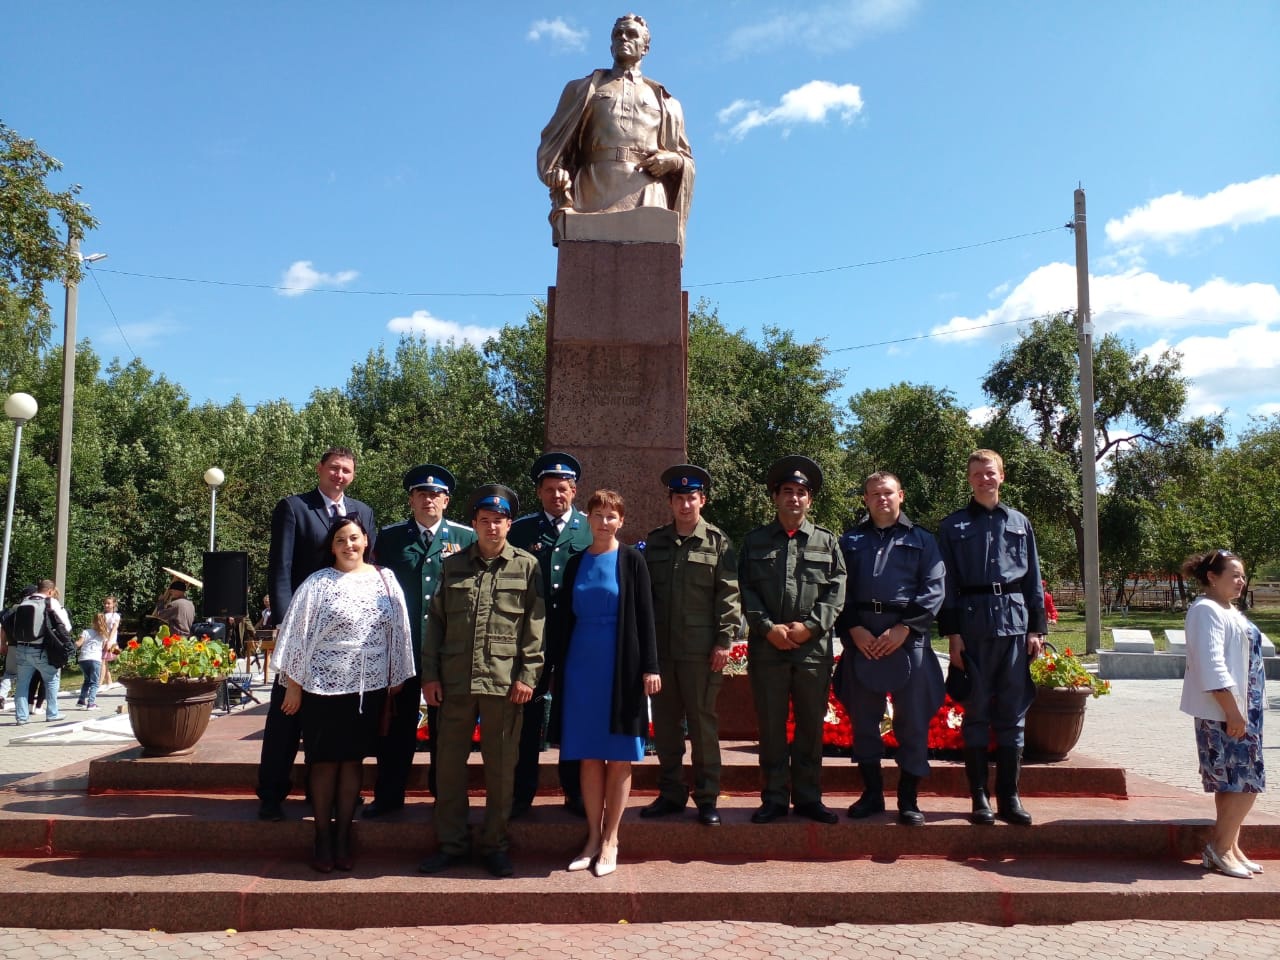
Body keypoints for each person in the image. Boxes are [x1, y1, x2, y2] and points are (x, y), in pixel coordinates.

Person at [271, 514, 414, 873]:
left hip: (367, 689)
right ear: (331, 548)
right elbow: (297, 637)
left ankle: (344, 834)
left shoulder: (386, 580)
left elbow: (400, 630)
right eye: (340, 540)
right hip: (322, 686)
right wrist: (294, 686)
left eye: (354, 538)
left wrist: (397, 675)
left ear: (366, 541)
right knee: (323, 763)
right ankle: (322, 836)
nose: (349, 545)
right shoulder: (318, 583)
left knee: (352, 762)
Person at [418, 484, 544, 879]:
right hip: (455, 683)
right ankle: (451, 844)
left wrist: (528, 675)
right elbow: (435, 625)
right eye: (485, 521)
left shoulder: (526, 566)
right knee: (449, 769)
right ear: (473, 524)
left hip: (505, 685)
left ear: (509, 525)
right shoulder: (452, 566)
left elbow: (535, 628)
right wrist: (430, 676)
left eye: (499, 521)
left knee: (502, 769)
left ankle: (494, 844)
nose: (492, 527)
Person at [258, 446, 377, 822]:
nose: (339, 476)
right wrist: (283, 623)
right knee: (287, 714)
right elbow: (281, 567)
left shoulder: (364, 513)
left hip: (345, 638)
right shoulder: (295, 508)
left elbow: (369, 568)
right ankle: (271, 794)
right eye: (334, 469)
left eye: (346, 471)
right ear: (320, 469)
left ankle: (325, 794)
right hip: (301, 630)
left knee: (334, 719)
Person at [548, 489, 659, 876]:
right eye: (597, 515)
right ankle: (592, 837)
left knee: (619, 755)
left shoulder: (632, 560)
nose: (603, 522)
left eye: (611, 516)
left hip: (622, 666)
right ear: (587, 519)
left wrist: (651, 667)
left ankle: (612, 839)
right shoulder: (576, 561)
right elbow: (564, 620)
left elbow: (646, 617)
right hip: (582, 666)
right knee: (589, 755)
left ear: (621, 521)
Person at [938, 449, 1046, 827]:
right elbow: (947, 584)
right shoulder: (952, 527)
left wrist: (1037, 628)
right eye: (977, 474)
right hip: (973, 625)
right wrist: (952, 634)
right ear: (969, 479)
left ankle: (1010, 797)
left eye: (990, 473)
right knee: (977, 713)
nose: (984, 479)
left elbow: (1033, 578)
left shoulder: (1019, 522)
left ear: (1002, 476)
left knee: (1013, 716)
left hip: (1015, 624)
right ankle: (979, 798)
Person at [739, 456, 847, 824]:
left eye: (801, 493)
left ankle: (808, 798)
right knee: (770, 727)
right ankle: (772, 799)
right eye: (788, 492)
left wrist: (810, 628)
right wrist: (768, 627)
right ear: (775, 498)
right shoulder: (754, 541)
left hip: (812, 650)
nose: (794, 499)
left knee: (810, 727)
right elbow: (746, 589)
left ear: (810, 500)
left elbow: (837, 591)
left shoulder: (827, 542)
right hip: (768, 646)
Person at [835, 471, 946, 825]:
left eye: (888, 493)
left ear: (901, 495)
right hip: (862, 637)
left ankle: (909, 799)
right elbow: (837, 589)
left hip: (907, 637)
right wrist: (853, 628)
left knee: (911, 721)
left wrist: (905, 628)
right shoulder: (849, 540)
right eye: (874, 494)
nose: (882, 499)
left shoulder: (924, 540)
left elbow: (934, 587)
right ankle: (871, 794)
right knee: (864, 720)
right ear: (865, 500)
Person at [537, 12, 695, 258]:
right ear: (610, 44)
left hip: (647, 191)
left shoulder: (666, 101)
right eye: (617, 34)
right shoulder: (582, 89)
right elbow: (555, 142)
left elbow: (685, 158)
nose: (623, 38)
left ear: (646, 47)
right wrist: (556, 171)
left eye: (631, 34)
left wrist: (673, 161)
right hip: (593, 188)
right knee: (585, 260)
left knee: (651, 264)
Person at [368, 463, 476, 817]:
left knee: (446, 731)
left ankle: (443, 798)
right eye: (422, 494)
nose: (429, 500)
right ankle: (388, 797)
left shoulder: (465, 538)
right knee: (396, 731)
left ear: (446, 501)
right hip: (402, 649)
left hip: (447, 651)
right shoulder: (391, 537)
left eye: (436, 495)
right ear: (411, 500)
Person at [640, 465, 740, 826]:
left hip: (701, 652)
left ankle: (708, 797)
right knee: (666, 728)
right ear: (670, 501)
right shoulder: (655, 542)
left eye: (691, 498)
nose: (685, 504)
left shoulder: (719, 542)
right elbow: (645, 598)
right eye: (679, 498)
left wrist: (725, 640)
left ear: (703, 500)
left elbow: (729, 595)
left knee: (702, 726)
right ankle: (670, 794)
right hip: (663, 651)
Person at [509, 452, 593, 819]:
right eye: (549, 490)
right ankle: (522, 792)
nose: (556, 496)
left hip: (576, 635)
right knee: (526, 718)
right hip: (533, 636)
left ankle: (574, 792)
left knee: (573, 714)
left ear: (574, 491)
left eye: (563, 489)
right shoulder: (522, 530)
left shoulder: (591, 528)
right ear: (540, 493)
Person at [1179, 549, 1266, 879]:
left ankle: (1229, 847)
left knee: (1234, 783)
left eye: (1243, 576)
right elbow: (1211, 663)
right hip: (1224, 711)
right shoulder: (1206, 610)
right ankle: (1218, 848)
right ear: (1212, 577)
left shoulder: (1229, 610)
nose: (1241, 581)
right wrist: (1233, 712)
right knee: (1246, 782)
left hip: (1243, 710)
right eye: (1234, 575)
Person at [10, 580, 73, 725]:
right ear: (50, 591)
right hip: (41, 649)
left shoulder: (25, 602)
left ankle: (21, 717)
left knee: (22, 684)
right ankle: (52, 713)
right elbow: (66, 626)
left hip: (21, 647)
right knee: (51, 680)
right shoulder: (51, 602)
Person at [0, 584, 39, 711]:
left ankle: (1, 694)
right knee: (27, 676)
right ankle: (23, 704)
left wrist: (2, 643)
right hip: (28, 646)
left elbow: (4, 630)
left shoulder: (11, 610)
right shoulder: (33, 608)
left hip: (12, 646)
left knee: (9, 674)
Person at [75, 611, 111, 709]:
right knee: (95, 682)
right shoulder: (104, 635)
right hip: (95, 659)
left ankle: (81, 700)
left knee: (87, 680)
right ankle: (91, 703)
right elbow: (106, 647)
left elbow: (79, 643)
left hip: (83, 659)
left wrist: (72, 645)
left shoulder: (86, 632)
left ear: (93, 621)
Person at [100, 596, 121, 688]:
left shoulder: (115, 616)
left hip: (111, 642)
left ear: (114, 604)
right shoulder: (103, 616)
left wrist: (109, 641)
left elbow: (114, 629)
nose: (107, 605)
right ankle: (109, 681)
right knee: (104, 661)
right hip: (103, 641)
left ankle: (99, 683)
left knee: (105, 660)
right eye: (105, 603)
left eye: (109, 603)